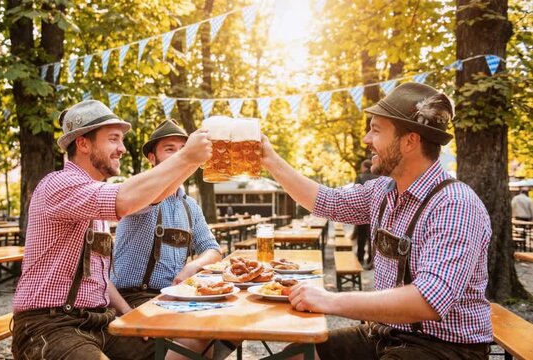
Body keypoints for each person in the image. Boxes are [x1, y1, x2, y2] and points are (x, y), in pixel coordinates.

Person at [262, 83, 491, 359]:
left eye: (376, 130)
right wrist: (270, 160)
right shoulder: (382, 190)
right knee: (296, 355)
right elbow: (326, 201)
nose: (366, 139)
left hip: (444, 348)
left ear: (410, 141)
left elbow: (429, 300)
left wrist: (330, 300)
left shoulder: (455, 204)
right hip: (383, 335)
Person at [11, 100, 212, 360]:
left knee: (192, 343)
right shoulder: (59, 184)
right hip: (50, 326)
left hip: (100, 322)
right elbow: (128, 199)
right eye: (113, 139)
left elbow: (100, 278)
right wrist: (186, 156)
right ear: (83, 143)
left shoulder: (93, 198)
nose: (122, 149)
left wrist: (129, 315)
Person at [111, 119, 227, 358]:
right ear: (152, 158)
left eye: (182, 149)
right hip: (133, 298)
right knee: (197, 337)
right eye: (169, 149)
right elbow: (150, 197)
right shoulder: (140, 193)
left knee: (228, 327)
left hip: (173, 297)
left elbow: (212, 249)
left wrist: (193, 266)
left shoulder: (189, 206)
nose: (178, 156)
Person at [354, 159, 378, 268]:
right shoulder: (378, 177)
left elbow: (355, 194)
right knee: (371, 238)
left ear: (364, 167)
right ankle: (370, 260)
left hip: (361, 212)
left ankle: (360, 258)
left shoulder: (360, 177)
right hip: (375, 214)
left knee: (361, 237)